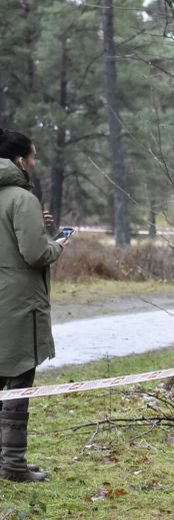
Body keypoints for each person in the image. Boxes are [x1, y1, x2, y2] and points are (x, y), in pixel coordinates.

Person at [0, 128, 67, 483]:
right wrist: (57, 245)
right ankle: (12, 464)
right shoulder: (22, 198)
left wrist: (34, 227)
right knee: (19, 382)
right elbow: (36, 254)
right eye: (33, 157)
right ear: (19, 161)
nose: (35, 163)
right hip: (17, 304)